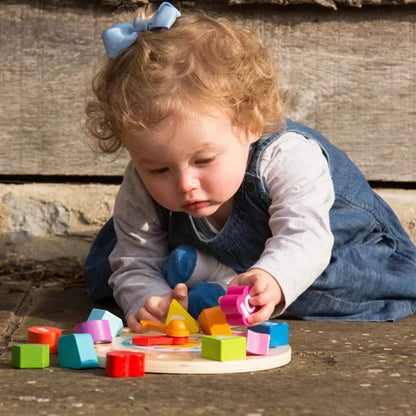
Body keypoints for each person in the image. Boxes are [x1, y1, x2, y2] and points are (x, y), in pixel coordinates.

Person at [84, 2, 416, 332]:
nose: (185, 183)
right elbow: (135, 260)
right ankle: (214, 280)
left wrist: (272, 277)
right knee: (107, 270)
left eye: (204, 160)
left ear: (251, 125)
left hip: (321, 245)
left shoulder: (288, 157)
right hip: (228, 252)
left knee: (318, 284)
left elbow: (305, 237)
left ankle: (220, 279)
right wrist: (150, 300)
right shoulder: (142, 179)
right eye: (159, 170)